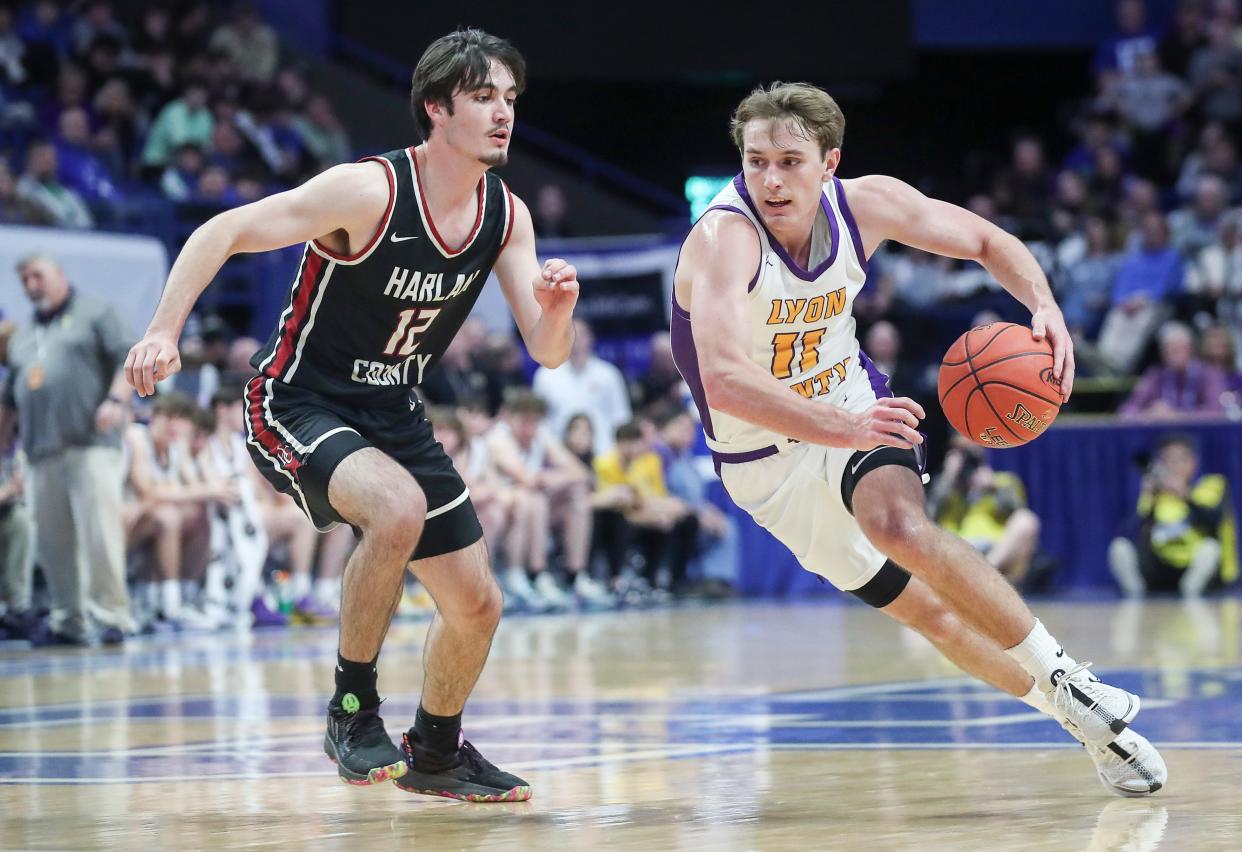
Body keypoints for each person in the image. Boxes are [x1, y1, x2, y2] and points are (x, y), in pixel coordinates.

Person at [672, 82, 1165, 796]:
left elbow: (987, 241)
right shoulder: (724, 238)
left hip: (851, 398)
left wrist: (1044, 304)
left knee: (897, 523)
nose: (771, 179)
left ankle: (1068, 675)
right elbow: (721, 377)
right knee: (929, 613)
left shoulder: (865, 205)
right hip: (761, 460)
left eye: (789, 161)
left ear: (829, 163)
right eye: (755, 162)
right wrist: (835, 427)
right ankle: (1077, 718)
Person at [124, 29, 575, 802]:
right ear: (436, 108)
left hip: (394, 412)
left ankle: (436, 749)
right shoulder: (369, 191)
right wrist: (164, 330)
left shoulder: (506, 215)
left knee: (477, 604)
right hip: (298, 399)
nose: (503, 114)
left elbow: (548, 350)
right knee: (394, 509)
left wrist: (558, 307)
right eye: (482, 98)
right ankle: (352, 708)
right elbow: (222, 230)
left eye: (509, 98)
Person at [1, 254, 133, 645]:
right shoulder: (23, 336)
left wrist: (116, 399)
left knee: (100, 535)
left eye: (37, 275)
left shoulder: (97, 313)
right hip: (40, 451)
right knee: (52, 542)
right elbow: (10, 397)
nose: (31, 285)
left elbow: (127, 356)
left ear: (59, 274)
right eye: (24, 280)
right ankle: (67, 621)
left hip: (89, 444)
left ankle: (112, 616)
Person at [1109, 433, 1237, 597]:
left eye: (1179, 460)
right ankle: (1135, 599)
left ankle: (1192, 597)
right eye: (1167, 461)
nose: (1173, 467)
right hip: (1160, 565)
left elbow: (1213, 521)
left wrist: (1185, 495)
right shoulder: (1155, 493)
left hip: (1191, 566)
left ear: (1192, 463)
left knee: (1210, 549)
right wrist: (1151, 498)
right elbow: (1131, 532)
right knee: (1120, 547)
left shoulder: (1209, 486)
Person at [532, 319, 631, 455]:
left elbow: (621, 417)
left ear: (590, 338)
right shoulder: (546, 375)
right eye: (568, 334)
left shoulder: (608, 374)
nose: (575, 340)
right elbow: (539, 421)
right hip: (560, 456)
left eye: (580, 335)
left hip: (604, 453)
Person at [1119, 321, 1228, 419]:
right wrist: (1147, 414)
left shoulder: (1208, 374)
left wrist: (1176, 415)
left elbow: (1216, 412)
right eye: (1168, 351)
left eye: (1178, 349)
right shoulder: (1155, 375)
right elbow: (1127, 411)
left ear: (1190, 350)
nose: (1173, 355)